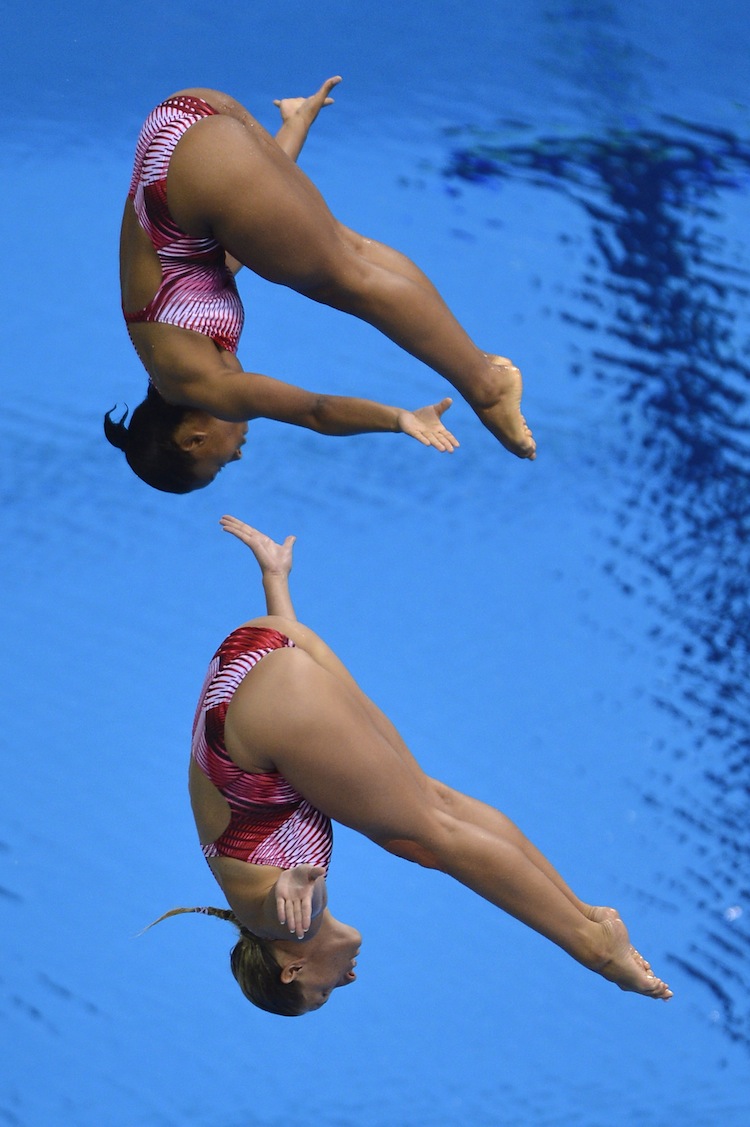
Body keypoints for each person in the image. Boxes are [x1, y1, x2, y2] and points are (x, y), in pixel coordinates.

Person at [149, 516, 673, 1016]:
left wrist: (298, 887)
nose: (345, 981)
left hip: (269, 708)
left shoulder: (285, 927)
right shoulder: (252, 904)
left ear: (293, 971)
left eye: (322, 994)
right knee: (426, 822)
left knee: (434, 832)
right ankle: (586, 915)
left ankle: (596, 952)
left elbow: (293, 900)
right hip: (258, 649)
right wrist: (276, 581)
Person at [108, 77, 536, 493]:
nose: (236, 457)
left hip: (196, 169)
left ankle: (486, 386)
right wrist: (296, 126)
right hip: (184, 119)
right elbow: (249, 209)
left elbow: (316, 411)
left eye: (217, 466)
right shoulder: (163, 339)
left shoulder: (201, 385)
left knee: (347, 281)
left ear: (192, 441)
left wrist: (399, 419)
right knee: (347, 249)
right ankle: (477, 361)